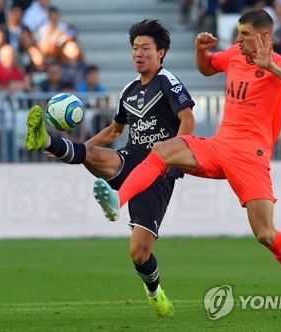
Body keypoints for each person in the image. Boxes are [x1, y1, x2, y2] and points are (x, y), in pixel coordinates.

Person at [92, 9, 281, 319]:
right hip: (220, 145)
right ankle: (116, 199)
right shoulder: (234, 55)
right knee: (163, 149)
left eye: (244, 34)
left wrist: (270, 67)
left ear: (264, 37)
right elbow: (206, 69)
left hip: (251, 158)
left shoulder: (280, 65)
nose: (237, 39)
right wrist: (202, 51)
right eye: (238, 33)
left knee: (265, 233)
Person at [24, 19, 196, 318]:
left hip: (158, 169)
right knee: (95, 156)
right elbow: (114, 132)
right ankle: (48, 141)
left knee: (139, 254)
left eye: (145, 48)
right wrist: (82, 149)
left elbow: (188, 121)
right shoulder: (128, 92)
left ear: (161, 53)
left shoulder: (168, 81)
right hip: (131, 158)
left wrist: (176, 153)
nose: (138, 54)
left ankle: (155, 293)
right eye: (134, 48)